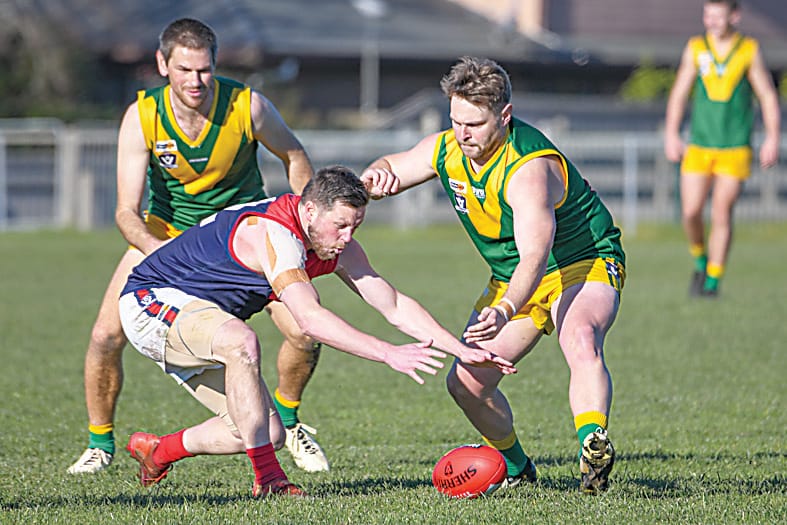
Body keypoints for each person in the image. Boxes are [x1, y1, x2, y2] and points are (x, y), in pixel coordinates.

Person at [118, 166, 516, 496]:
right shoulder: (276, 234)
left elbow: (392, 303)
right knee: (241, 341)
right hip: (150, 301)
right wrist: (387, 352)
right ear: (309, 212)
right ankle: (270, 481)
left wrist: (460, 350)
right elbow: (309, 319)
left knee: (264, 432)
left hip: (202, 319)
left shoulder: (334, 244)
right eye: (340, 225)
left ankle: (159, 452)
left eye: (355, 226)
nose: (347, 238)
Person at [68, 18, 330, 476]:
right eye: (184, 70)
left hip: (245, 242)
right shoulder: (142, 115)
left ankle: (289, 423)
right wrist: (158, 253)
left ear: (215, 64)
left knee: (306, 332)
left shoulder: (249, 107)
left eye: (204, 70)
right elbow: (126, 212)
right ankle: (99, 444)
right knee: (105, 336)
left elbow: (295, 154)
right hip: (166, 239)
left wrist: (303, 228)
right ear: (162, 64)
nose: (195, 81)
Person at [360, 56, 626, 494]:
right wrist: (375, 177)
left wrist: (504, 308)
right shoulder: (446, 147)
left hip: (582, 260)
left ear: (503, 116)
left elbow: (535, 258)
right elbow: (396, 163)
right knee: (466, 382)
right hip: (512, 274)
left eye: (475, 124)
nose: (462, 133)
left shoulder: (527, 170)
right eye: (455, 120)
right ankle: (518, 469)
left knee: (578, 336)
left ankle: (592, 444)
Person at [664, 0, 780, 297]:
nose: (711, 20)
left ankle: (712, 282)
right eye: (707, 13)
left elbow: (766, 95)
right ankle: (701, 259)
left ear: (734, 16)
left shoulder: (748, 50)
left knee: (721, 212)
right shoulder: (696, 48)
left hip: (735, 147)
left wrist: (772, 137)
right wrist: (672, 134)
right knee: (690, 212)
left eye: (718, 14)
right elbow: (678, 94)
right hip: (699, 144)